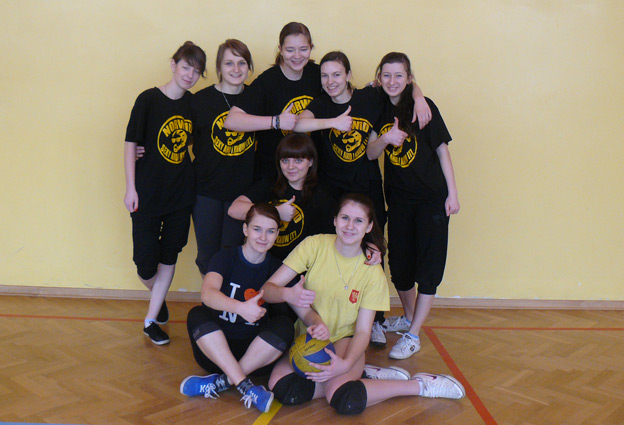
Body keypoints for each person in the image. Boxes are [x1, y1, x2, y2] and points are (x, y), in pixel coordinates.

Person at [260, 193, 465, 416]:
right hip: (309, 340)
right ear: (335, 220)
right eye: (345, 218)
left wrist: (346, 364)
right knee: (283, 387)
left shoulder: (372, 272)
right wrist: (288, 294)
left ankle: (419, 385)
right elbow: (267, 290)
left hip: (345, 341)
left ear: (368, 227)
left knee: (343, 398)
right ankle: (361, 376)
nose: (350, 226)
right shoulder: (314, 245)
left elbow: (363, 331)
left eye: (358, 221)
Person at [294, 51, 430, 346]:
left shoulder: (369, 97)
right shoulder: (320, 104)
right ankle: (329, 317)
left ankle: (375, 321)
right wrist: (331, 122)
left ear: (348, 75)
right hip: (332, 191)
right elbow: (298, 124)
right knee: (332, 252)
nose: (330, 81)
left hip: (367, 187)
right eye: (325, 76)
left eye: (336, 74)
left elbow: (402, 85)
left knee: (373, 251)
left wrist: (419, 97)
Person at [367, 52, 460, 360]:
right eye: (387, 75)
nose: (392, 81)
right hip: (399, 200)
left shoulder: (424, 106)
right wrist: (386, 139)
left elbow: (442, 151)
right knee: (400, 267)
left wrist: (453, 194)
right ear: (379, 78)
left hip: (432, 199)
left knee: (429, 268)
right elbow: (370, 153)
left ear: (409, 78)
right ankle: (409, 318)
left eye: (399, 75)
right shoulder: (378, 107)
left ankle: (414, 334)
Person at [123, 41, 206, 345]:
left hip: (180, 195)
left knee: (169, 255)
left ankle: (150, 320)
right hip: (147, 193)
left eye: (196, 71)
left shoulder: (194, 105)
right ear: (173, 65)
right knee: (145, 263)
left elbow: (197, 141)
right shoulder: (148, 100)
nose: (190, 75)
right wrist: (131, 188)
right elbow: (130, 144)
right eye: (186, 67)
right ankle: (158, 300)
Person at [180, 203, 294, 413]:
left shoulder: (277, 268)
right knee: (196, 314)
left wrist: (312, 316)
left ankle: (222, 382)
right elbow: (207, 294)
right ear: (245, 229)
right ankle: (246, 386)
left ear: (277, 234)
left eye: (270, 231)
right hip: (215, 353)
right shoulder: (225, 257)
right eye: (257, 229)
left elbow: (296, 307)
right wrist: (240, 308)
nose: (263, 237)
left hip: (256, 357)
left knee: (286, 325)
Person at [223, 22, 322, 182]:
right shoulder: (267, 81)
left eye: (303, 49)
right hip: (272, 174)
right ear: (280, 49)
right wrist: (276, 121)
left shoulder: (318, 74)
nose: (297, 56)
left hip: (311, 174)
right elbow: (232, 121)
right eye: (290, 50)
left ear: (311, 48)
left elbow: (342, 89)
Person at [189, 39, 256, 277]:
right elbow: (181, 138)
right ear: (219, 67)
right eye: (229, 63)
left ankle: (229, 299)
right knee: (207, 256)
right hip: (205, 190)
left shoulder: (256, 98)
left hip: (241, 192)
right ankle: (211, 298)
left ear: (249, 66)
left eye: (241, 63)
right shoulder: (199, 101)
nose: (236, 69)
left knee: (234, 254)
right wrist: (141, 147)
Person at [228, 133, 335, 262]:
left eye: (298, 161)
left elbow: (329, 243)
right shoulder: (270, 184)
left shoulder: (322, 196)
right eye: (285, 161)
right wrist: (276, 211)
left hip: (300, 266)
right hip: (264, 262)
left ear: (311, 162)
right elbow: (233, 209)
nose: (290, 167)